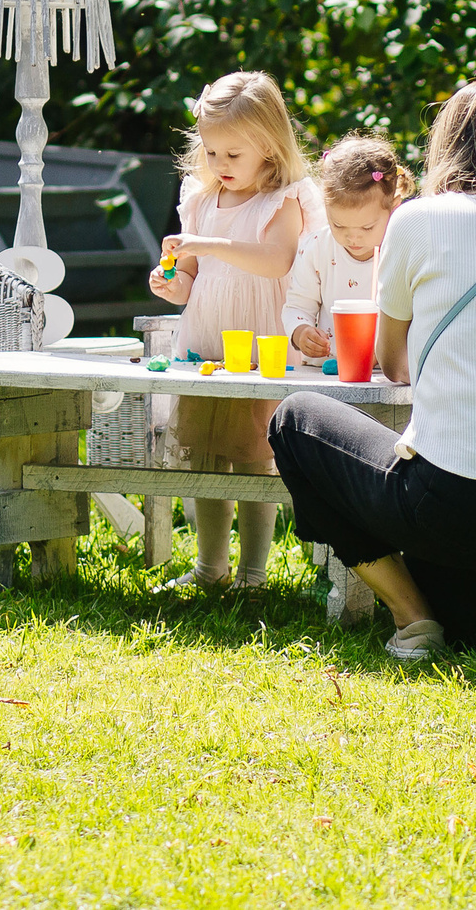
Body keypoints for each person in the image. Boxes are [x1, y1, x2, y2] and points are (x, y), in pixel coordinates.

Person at [269, 75, 476, 668]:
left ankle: (412, 618)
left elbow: (394, 362)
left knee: (296, 420)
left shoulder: (417, 221)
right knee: (465, 618)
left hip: (455, 496)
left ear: (446, 145)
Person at [143, 71, 318, 590]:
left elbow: (277, 261)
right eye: (212, 152)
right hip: (206, 344)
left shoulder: (282, 199)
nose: (220, 166)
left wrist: (205, 245)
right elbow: (190, 278)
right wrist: (172, 283)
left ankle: (253, 572)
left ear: (268, 147)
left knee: (251, 459)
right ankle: (210, 567)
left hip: (261, 347)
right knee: (206, 454)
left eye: (233, 155)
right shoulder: (199, 198)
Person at [282, 136, 411, 361]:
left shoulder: (402, 251)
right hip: (327, 370)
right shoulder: (317, 248)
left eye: (367, 227)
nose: (353, 237)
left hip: (384, 373)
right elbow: (297, 305)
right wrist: (301, 333)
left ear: (393, 206)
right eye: (338, 225)